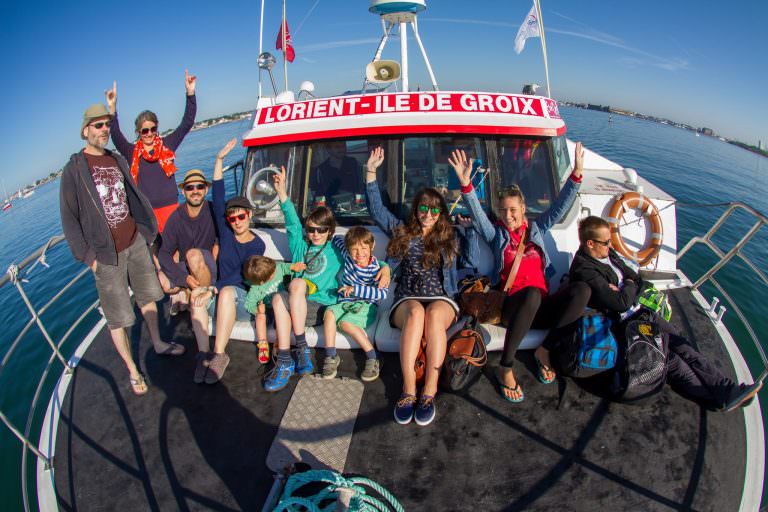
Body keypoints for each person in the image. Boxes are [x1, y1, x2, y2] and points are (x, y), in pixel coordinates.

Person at [555, 215, 763, 411]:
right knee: (670, 359)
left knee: (683, 346)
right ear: (590, 243)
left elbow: (635, 278)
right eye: (606, 242)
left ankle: (725, 389)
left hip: (640, 313)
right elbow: (619, 303)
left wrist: (627, 286)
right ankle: (716, 399)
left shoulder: (608, 254)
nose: (611, 246)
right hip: (625, 325)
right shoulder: (585, 270)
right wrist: (628, 288)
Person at [449, 143, 590, 403]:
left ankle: (544, 351)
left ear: (523, 208)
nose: (508, 215)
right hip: (513, 308)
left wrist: (577, 175)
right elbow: (479, 217)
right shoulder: (497, 235)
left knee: (582, 291)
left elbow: (559, 207)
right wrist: (466, 184)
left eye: (513, 210)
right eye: (503, 211)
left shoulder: (535, 231)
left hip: (541, 307)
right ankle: (506, 366)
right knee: (533, 295)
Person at [59, 104, 185, 396]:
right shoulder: (74, 169)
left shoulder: (115, 159)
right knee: (118, 317)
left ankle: (158, 343)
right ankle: (132, 369)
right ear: (85, 130)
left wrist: (143, 232)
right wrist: (90, 260)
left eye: (106, 125)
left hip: (135, 242)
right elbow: (69, 219)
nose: (103, 130)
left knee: (149, 299)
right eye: (98, 125)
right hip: (106, 257)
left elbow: (131, 196)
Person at [366, 147, 476, 426]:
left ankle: (430, 389)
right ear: (416, 210)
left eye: (434, 209)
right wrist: (370, 172)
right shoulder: (403, 231)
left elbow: (472, 259)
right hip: (408, 298)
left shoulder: (450, 236)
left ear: (440, 213)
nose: (428, 214)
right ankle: (409, 389)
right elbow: (377, 210)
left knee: (434, 315)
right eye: (423, 208)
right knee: (417, 314)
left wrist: (469, 222)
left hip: (442, 297)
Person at [263, 166, 382, 392]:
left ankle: (296, 350)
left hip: (321, 307)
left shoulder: (336, 249)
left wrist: (384, 269)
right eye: (311, 229)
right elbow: (291, 222)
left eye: (321, 229)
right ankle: (289, 359)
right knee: (279, 299)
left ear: (330, 231)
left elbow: (364, 256)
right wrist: (282, 194)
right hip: (297, 307)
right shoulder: (300, 246)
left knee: (295, 285)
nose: (315, 234)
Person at [189, 139, 266, 384]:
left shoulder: (257, 245)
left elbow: (242, 278)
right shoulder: (226, 233)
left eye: (241, 216)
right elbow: (219, 195)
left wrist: (214, 287)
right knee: (195, 298)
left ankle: (220, 354)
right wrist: (219, 160)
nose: (237, 221)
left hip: (241, 302)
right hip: (221, 294)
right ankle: (203, 355)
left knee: (224, 292)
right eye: (232, 219)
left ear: (249, 215)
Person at [105, 71, 197, 232]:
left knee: (175, 251)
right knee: (155, 254)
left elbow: (187, 122)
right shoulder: (131, 152)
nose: (149, 133)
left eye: (152, 129)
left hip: (171, 209)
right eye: (144, 131)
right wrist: (112, 108)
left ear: (157, 127)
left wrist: (190, 93)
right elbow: (116, 135)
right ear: (138, 132)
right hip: (146, 213)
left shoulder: (167, 145)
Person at [321, 227, 389, 382]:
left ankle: (373, 356)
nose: (359, 254)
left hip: (365, 306)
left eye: (364, 248)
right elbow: (337, 238)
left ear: (372, 246)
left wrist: (355, 290)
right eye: (354, 249)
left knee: (345, 323)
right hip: (345, 302)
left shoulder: (376, 269)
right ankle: (331, 355)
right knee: (330, 314)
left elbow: (382, 294)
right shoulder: (348, 257)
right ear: (348, 249)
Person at [157, 167, 218, 323]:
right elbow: (164, 253)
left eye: (200, 187)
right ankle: (187, 290)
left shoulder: (214, 210)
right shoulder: (176, 218)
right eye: (190, 187)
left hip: (207, 264)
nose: (195, 191)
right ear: (183, 192)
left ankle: (204, 302)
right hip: (188, 267)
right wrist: (184, 279)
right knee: (163, 280)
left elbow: (222, 240)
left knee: (193, 255)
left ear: (206, 190)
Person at [242, 256, 307, 364]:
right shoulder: (255, 289)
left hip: (280, 308)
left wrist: (294, 267)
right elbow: (248, 304)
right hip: (268, 311)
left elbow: (284, 267)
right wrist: (257, 309)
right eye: (272, 273)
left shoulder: (275, 268)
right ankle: (263, 344)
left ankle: (278, 342)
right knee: (260, 316)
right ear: (262, 282)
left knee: (282, 317)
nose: (275, 271)